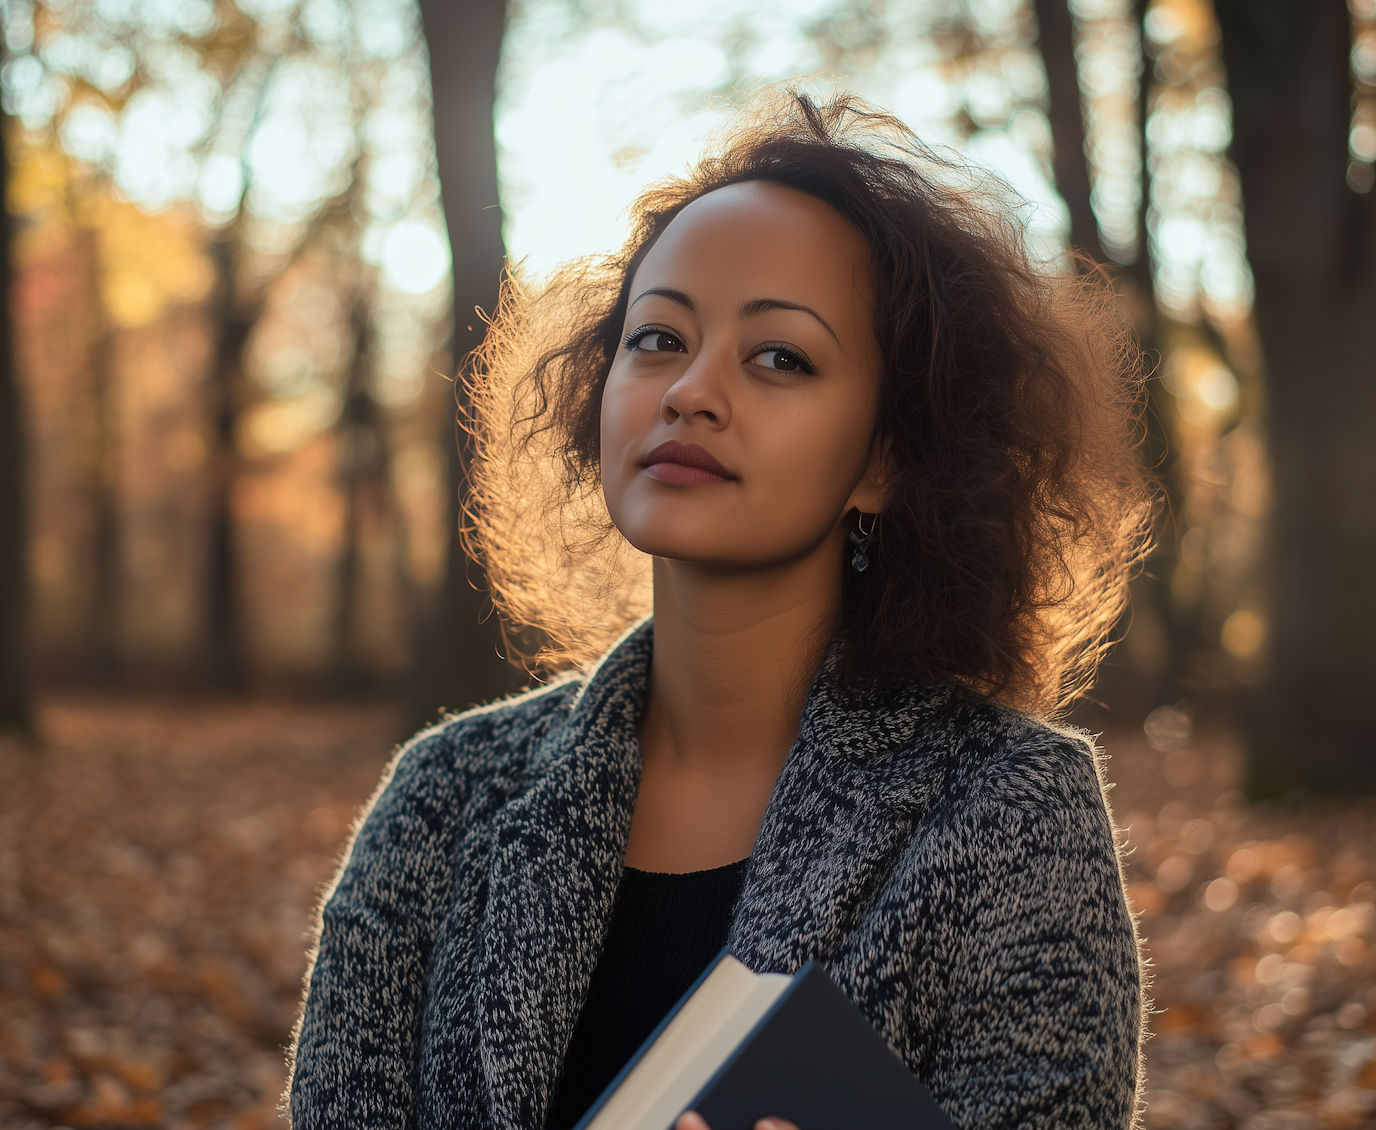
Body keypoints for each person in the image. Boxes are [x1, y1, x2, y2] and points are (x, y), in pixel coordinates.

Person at [289, 89, 1152, 1130]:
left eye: (780, 356)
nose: (690, 390)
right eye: (656, 339)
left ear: (888, 457)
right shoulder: (442, 796)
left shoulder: (1015, 813)